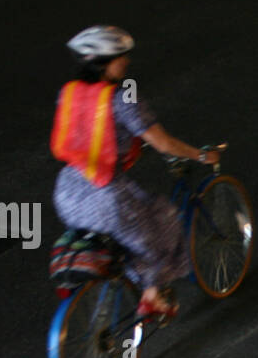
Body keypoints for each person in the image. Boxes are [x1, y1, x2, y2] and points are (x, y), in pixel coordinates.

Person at [50, 25, 221, 317]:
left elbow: (89, 135)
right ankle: (152, 295)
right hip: (105, 199)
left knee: (132, 227)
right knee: (164, 221)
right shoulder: (121, 98)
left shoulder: (68, 94)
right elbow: (163, 143)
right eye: (120, 57)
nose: (126, 61)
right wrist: (201, 155)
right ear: (103, 62)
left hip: (67, 193)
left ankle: (125, 279)